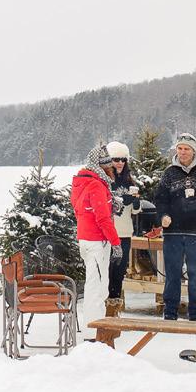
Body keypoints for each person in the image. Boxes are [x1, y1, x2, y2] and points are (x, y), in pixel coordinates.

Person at [153, 133, 196, 322]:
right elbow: (160, 199)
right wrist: (163, 216)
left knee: (195, 275)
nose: (183, 152)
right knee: (172, 274)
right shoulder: (169, 173)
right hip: (173, 233)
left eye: (187, 149)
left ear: (194, 151)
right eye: (180, 148)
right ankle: (170, 313)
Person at [70, 144, 123, 335]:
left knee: (96, 284)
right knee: (97, 287)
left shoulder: (83, 182)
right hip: (96, 242)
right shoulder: (96, 185)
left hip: (87, 239)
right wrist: (116, 243)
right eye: (108, 165)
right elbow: (102, 219)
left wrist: (111, 205)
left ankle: (95, 328)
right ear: (100, 166)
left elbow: (82, 210)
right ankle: (93, 332)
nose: (112, 168)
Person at [105, 141, 140, 316]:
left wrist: (136, 201)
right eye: (116, 159)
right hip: (107, 233)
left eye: (123, 160)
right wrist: (121, 200)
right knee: (107, 270)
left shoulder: (129, 181)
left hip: (125, 232)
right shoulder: (105, 181)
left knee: (119, 272)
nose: (119, 163)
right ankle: (104, 309)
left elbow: (135, 211)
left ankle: (114, 309)